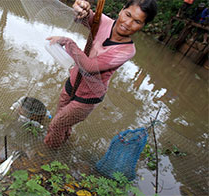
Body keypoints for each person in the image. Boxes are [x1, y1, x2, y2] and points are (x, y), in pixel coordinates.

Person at [44, 0, 157, 148]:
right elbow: (85, 17)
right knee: (61, 119)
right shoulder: (103, 22)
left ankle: (48, 152)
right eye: (127, 14)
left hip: (87, 97)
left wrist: (67, 42)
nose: (128, 23)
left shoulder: (126, 51)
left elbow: (89, 66)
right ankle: (64, 140)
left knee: (57, 124)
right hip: (73, 82)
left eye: (136, 21)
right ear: (121, 10)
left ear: (142, 26)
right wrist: (81, 9)